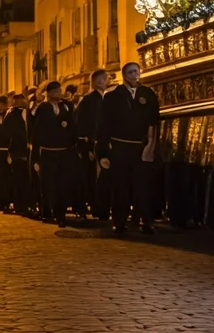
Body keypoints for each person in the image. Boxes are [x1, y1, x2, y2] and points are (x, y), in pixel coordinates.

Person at [98, 62, 161, 235]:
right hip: (120, 147)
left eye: (137, 71)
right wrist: (103, 152)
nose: (135, 75)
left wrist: (151, 146)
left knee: (143, 186)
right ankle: (119, 221)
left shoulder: (148, 94)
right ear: (124, 75)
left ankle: (145, 220)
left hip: (141, 147)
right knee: (121, 186)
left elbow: (154, 121)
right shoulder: (113, 96)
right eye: (131, 72)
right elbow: (104, 125)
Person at [33, 81, 77, 227]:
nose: (59, 93)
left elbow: (72, 128)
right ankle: (46, 212)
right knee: (48, 184)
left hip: (64, 152)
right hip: (48, 152)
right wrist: (35, 156)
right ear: (49, 93)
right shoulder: (43, 108)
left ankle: (61, 214)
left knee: (62, 184)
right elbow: (37, 132)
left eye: (60, 91)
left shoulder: (66, 107)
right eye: (56, 91)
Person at [75, 71, 109, 220]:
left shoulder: (109, 97)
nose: (102, 81)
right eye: (99, 79)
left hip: (107, 143)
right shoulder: (88, 99)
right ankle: (95, 208)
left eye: (104, 78)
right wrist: (87, 145)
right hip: (92, 144)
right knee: (92, 178)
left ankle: (105, 207)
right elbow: (81, 123)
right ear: (93, 81)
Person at [5, 92, 32, 215]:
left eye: (21, 99)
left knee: (28, 180)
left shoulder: (30, 112)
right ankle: (18, 204)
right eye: (17, 100)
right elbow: (7, 131)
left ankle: (28, 203)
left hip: (29, 151)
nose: (19, 102)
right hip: (16, 150)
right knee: (17, 179)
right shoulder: (11, 114)